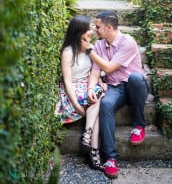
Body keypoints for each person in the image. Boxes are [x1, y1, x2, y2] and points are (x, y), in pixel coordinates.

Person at [81, 10, 149, 178]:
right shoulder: (99, 45)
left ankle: (139, 125)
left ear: (109, 27)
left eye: (98, 27)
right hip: (115, 88)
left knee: (135, 78)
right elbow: (96, 72)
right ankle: (110, 159)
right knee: (105, 104)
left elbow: (109, 68)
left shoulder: (128, 42)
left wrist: (89, 51)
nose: (95, 30)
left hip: (135, 87)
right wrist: (90, 89)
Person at [55, 15, 105, 171]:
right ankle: (93, 150)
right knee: (97, 99)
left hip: (86, 86)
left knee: (98, 93)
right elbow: (67, 81)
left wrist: (100, 82)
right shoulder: (68, 51)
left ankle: (87, 137)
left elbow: (94, 71)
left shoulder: (90, 47)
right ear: (78, 31)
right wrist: (76, 105)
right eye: (88, 29)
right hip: (73, 90)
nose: (91, 31)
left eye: (91, 28)